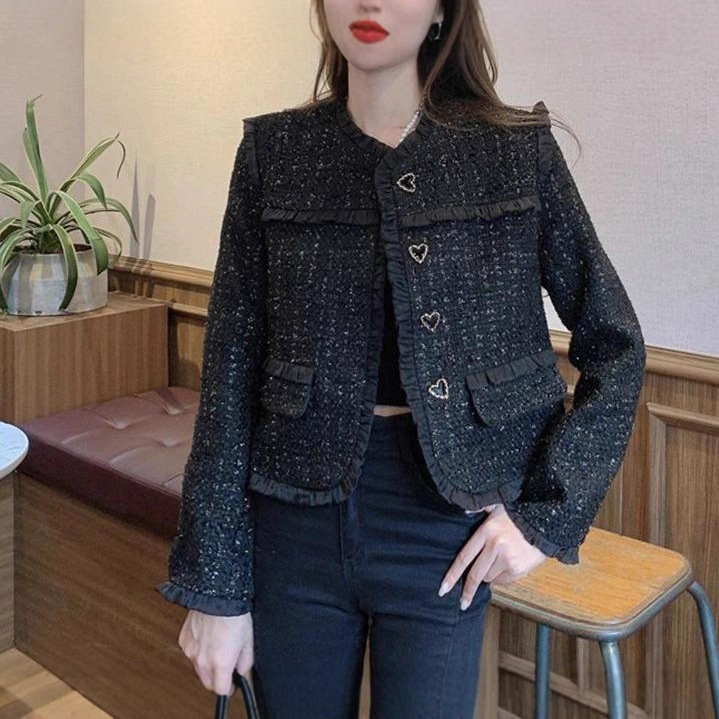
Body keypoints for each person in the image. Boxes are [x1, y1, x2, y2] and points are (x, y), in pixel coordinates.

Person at [155, 1, 647, 717]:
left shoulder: (514, 153)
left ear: (444, 8)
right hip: (292, 519)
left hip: (442, 528)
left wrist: (546, 517)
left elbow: (615, 344)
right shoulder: (275, 155)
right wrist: (215, 587)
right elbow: (229, 375)